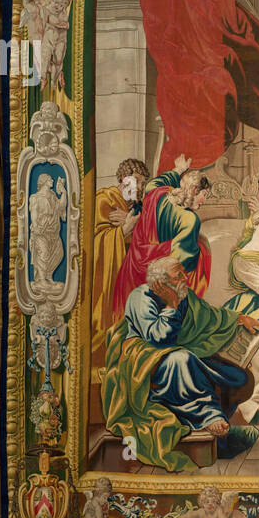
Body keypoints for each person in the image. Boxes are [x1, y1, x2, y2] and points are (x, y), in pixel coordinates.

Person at [101, 256, 259, 473]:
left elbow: (210, 316)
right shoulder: (141, 298)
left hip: (176, 353)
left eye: (183, 273)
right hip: (146, 362)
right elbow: (159, 339)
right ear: (161, 283)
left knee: (238, 377)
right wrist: (171, 305)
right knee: (182, 360)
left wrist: (239, 318)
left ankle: (220, 430)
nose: (185, 278)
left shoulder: (183, 295)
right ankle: (208, 415)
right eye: (179, 276)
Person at [109, 154, 213, 321]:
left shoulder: (158, 194)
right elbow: (181, 261)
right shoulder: (190, 220)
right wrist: (201, 247)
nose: (203, 202)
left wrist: (178, 170)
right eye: (204, 196)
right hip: (155, 285)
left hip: (130, 271)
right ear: (194, 190)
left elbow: (153, 184)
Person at [92, 157, 148, 371]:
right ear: (124, 179)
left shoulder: (135, 209)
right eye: (137, 181)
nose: (140, 187)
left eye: (143, 183)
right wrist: (125, 229)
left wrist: (131, 224)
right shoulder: (104, 199)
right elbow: (95, 243)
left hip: (129, 280)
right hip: (108, 281)